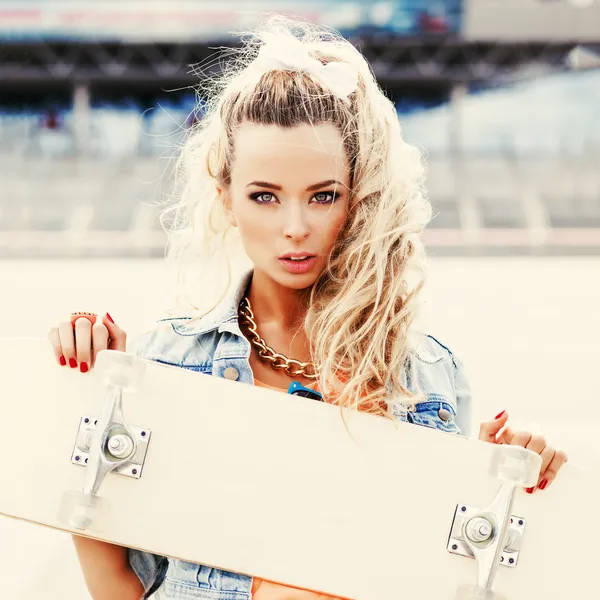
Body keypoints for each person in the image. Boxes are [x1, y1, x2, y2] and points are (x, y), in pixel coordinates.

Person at [47, 16, 567, 600]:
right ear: (226, 198)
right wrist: (89, 399)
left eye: (323, 196)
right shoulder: (163, 359)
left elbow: (448, 584)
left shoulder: (427, 377)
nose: (295, 229)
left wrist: (513, 480)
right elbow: (120, 587)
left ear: (360, 196)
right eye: (264, 196)